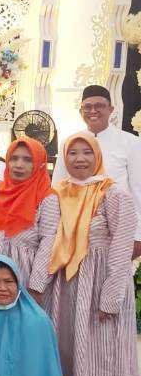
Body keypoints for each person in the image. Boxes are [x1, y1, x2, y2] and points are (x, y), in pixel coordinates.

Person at [47, 132, 141, 376]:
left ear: (98, 156)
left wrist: (111, 296)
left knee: (100, 352)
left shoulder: (113, 194)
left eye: (87, 152)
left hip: (100, 283)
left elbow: (122, 247)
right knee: (71, 350)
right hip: (67, 285)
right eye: (72, 153)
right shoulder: (59, 193)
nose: (79, 159)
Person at [52, 85, 141, 260]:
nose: (93, 111)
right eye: (87, 107)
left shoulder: (130, 142)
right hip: (74, 225)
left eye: (99, 106)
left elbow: (138, 189)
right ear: (81, 111)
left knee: (112, 272)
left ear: (111, 109)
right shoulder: (69, 142)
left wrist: (138, 235)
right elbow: (57, 187)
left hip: (116, 226)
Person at [0, 138, 58, 299]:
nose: (19, 165)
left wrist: (36, 286)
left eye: (28, 160)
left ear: (39, 164)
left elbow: (48, 243)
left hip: (26, 274)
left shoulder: (47, 197)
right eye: (14, 158)